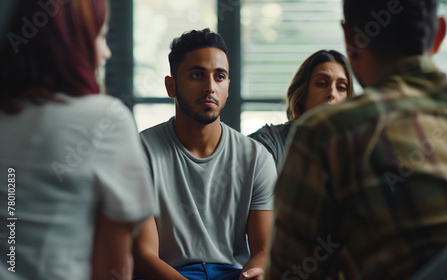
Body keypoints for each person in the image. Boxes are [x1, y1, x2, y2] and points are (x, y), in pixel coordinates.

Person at [266, 0, 447, 279]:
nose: (332, 94)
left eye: (341, 86)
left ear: (351, 39)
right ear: (439, 34)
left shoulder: (326, 133)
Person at [0, 0, 156, 279]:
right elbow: (112, 272)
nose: (107, 52)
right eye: (101, 36)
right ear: (72, 42)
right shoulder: (104, 120)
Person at [133, 29, 276, 280]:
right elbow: (144, 255)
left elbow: (264, 248)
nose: (210, 87)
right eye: (197, 75)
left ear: (228, 87)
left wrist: (251, 274)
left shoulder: (256, 158)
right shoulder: (140, 152)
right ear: (171, 85)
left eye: (219, 77)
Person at [249, 50, 355, 168]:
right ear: (302, 94)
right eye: (321, 83)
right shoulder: (267, 142)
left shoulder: (358, 149)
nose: (332, 93)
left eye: (341, 87)